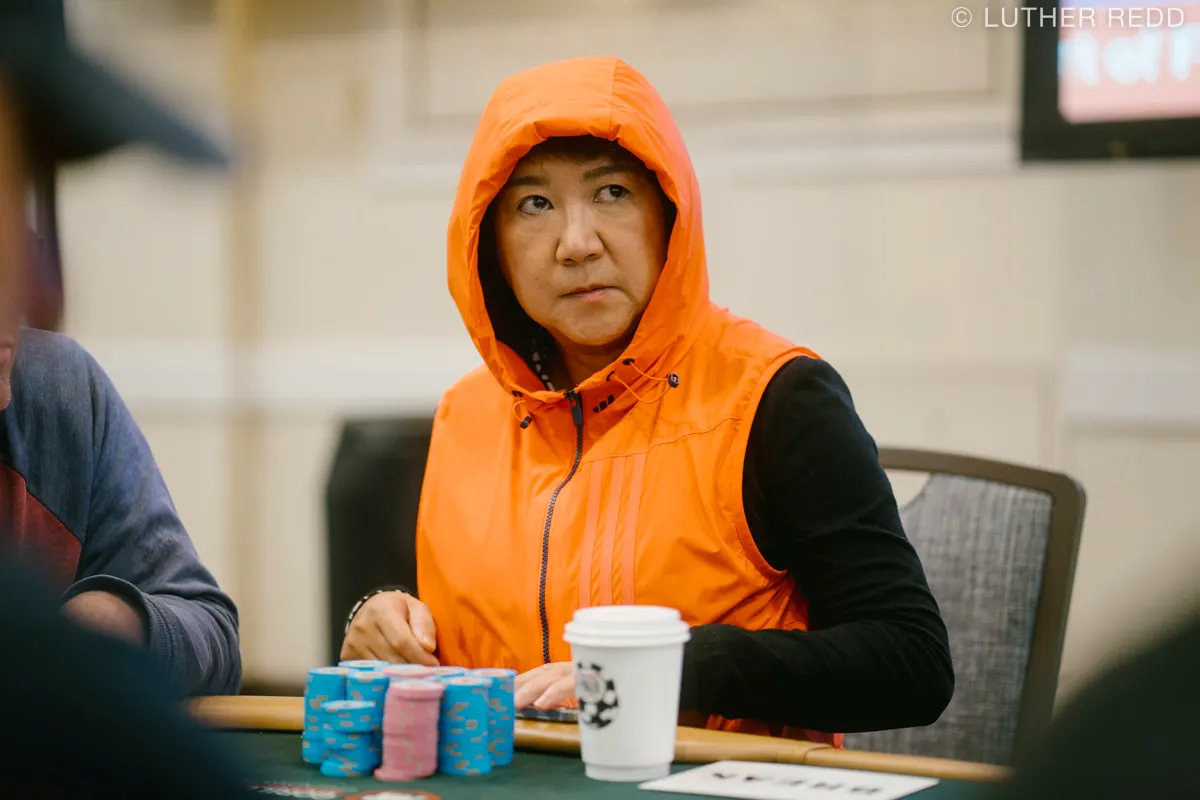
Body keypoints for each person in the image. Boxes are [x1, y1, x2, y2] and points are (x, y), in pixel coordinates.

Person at [341, 56, 954, 743]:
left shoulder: (777, 397)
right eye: (534, 205)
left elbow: (910, 664)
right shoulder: (464, 416)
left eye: (611, 193)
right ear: (490, 247)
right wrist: (380, 623)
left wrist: (671, 666)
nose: (577, 244)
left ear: (669, 215)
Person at [0, 0, 240, 698]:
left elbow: (209, 628)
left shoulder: (60, 390)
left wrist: (117, 620)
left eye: (17, 199)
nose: (30, 287)